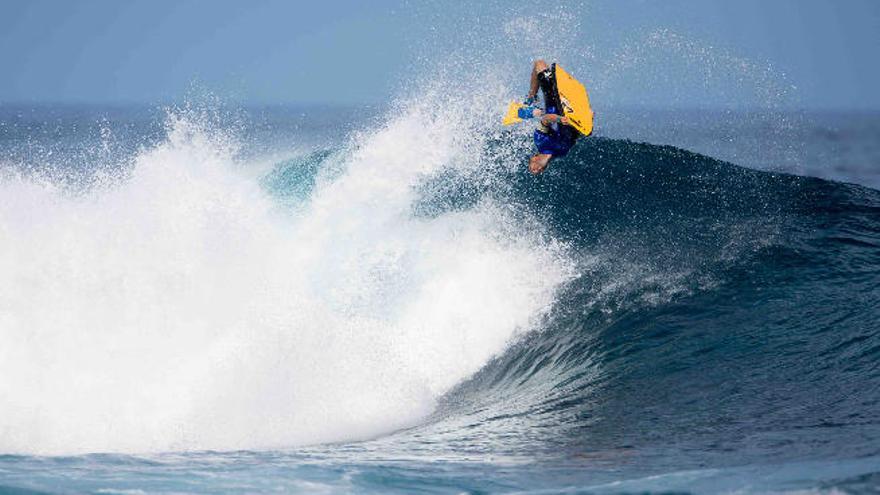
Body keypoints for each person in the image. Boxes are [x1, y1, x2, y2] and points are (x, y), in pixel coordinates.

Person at [518, 60, 581, 174]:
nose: (535, 171)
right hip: (569, 109)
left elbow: (545, 119)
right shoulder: (562, 153)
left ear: (533, 158)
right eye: (537, 172)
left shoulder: (540, 141)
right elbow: (574, 136)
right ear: (544, 169)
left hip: (554, 100)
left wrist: (559, 119)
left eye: (531, 168)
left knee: (539, 64)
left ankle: (531, 97)